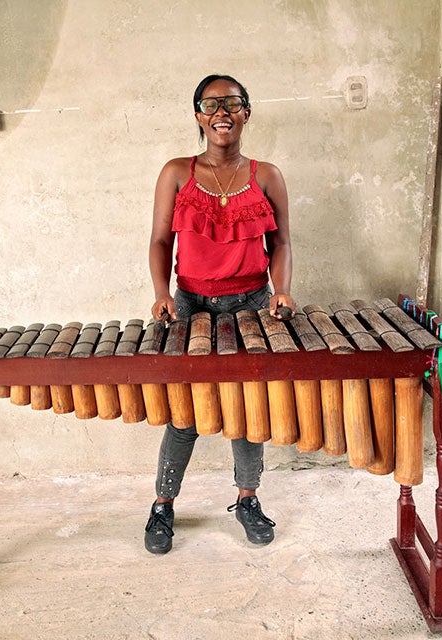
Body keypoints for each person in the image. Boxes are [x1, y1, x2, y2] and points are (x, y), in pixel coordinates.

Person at [145, 74, 296, 554]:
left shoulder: (267, 175)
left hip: (251, 305)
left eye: (232, 103)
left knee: (247, 413)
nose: (221, 112)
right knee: (184, 415)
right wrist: (161, 292)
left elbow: (283, 243)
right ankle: (163, 505)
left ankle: (248, 499)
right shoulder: (175, 172)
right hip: (189, 305)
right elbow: (159, 240)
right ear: (197, 115)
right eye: (210, 104)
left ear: (247, 112)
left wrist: (283, 291)